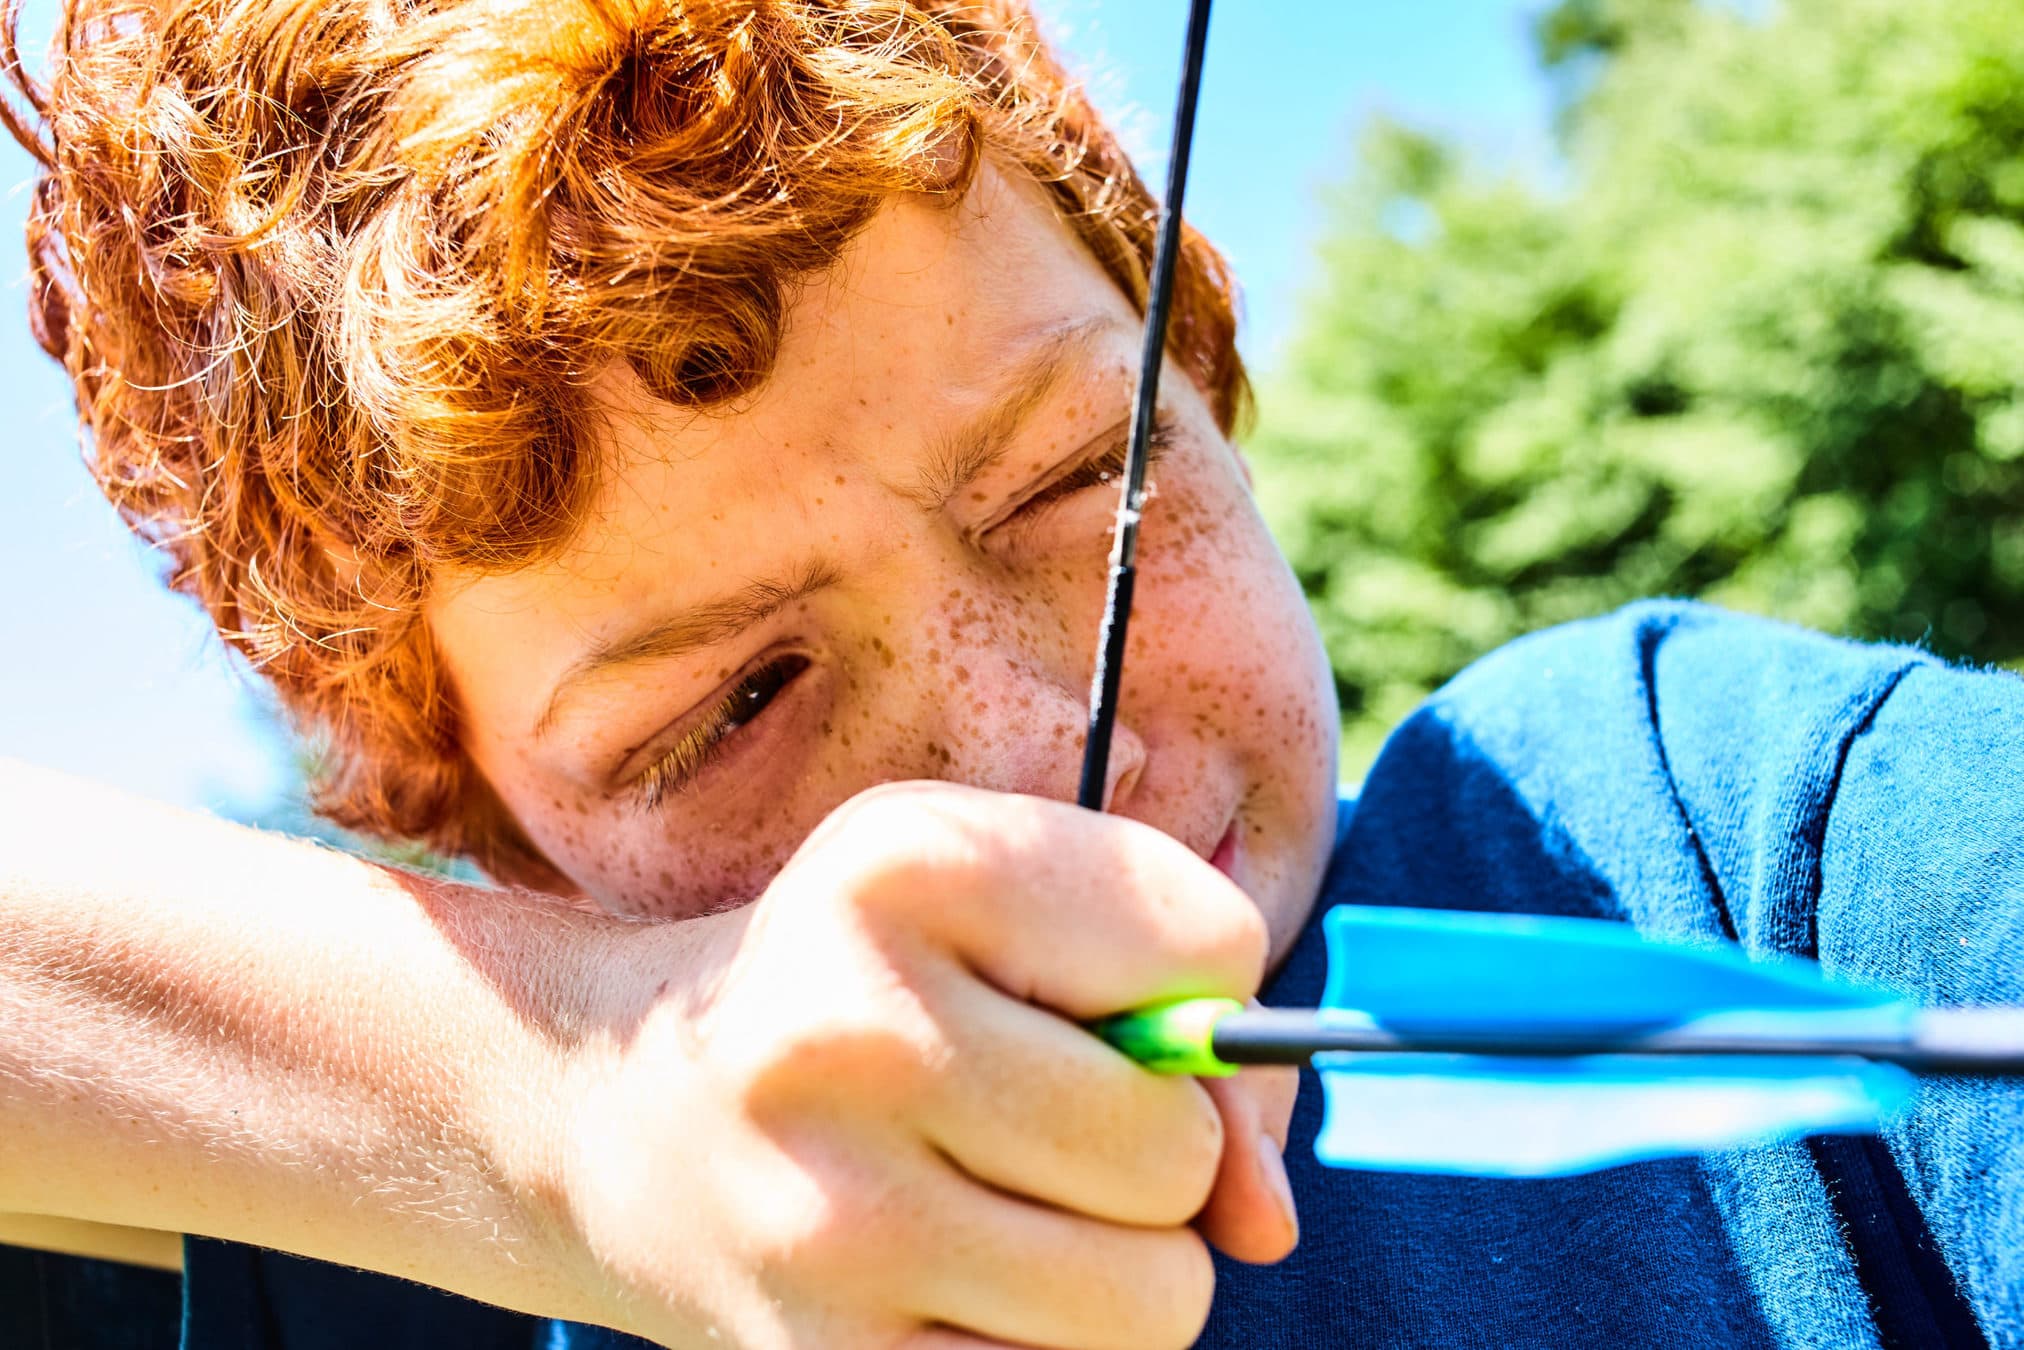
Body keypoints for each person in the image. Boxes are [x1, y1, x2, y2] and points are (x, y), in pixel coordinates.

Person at [0, 1, 2016, 1348]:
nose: (1042, 757)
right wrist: (578, 1111)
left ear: (1194, 376)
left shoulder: (1693, 837)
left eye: (1074, 477)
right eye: (730, 707)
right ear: (476, 824)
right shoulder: (377, 1236)